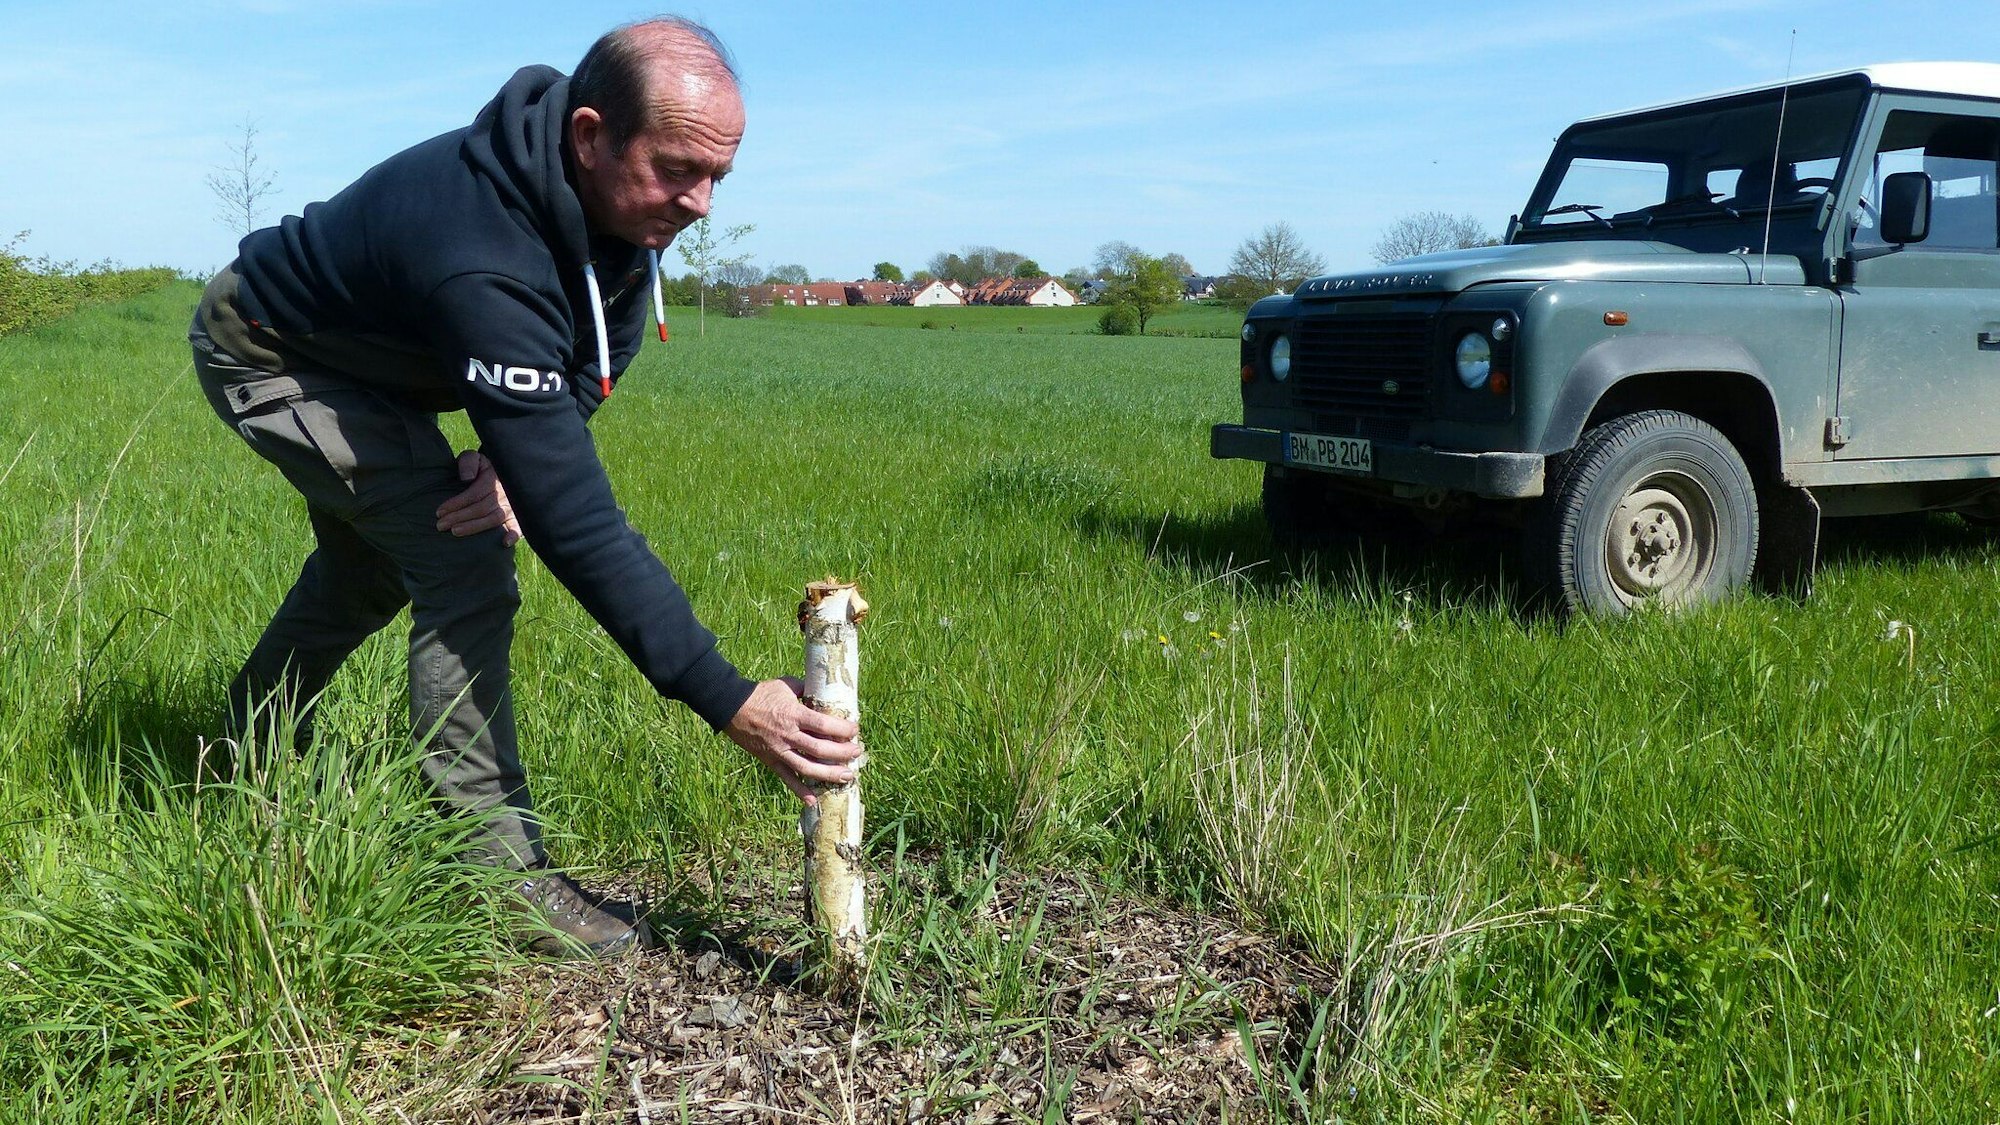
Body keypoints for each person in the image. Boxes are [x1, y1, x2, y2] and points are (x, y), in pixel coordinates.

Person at [187, 16, 860, 955]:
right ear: (590, 134)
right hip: (272, 350)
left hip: (381, 358)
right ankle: (499, 884)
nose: (701, 202)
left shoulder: (615, 197)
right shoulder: (484, 252)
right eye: (678, 170)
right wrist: (727, 695)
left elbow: (595, 352)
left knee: (373, 566)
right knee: (464, 561)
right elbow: (573, 520)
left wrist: (508, 456)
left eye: (719, 177)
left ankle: (238, 749)